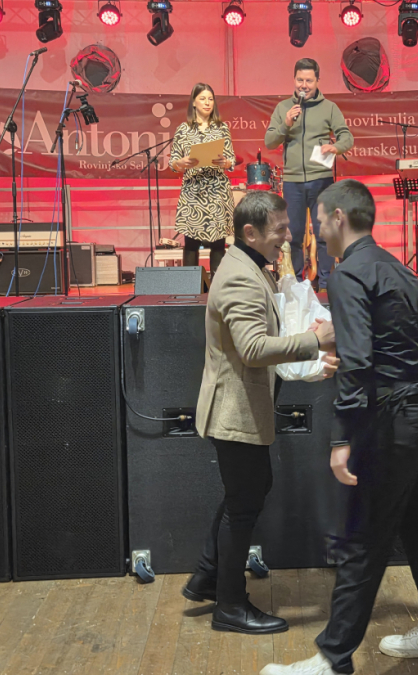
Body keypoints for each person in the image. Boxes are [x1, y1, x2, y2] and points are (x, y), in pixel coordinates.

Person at [261, 179, 418, 675]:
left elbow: (357, 360)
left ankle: (332, 659)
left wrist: (341, 437)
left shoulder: (348, 273)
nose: (313, 231)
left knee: (362, 536)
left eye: (318, 221)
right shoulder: (394, 266)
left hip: (398, 417)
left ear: (338, 218)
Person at [184, 190, 337, 635]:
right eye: (281, 229)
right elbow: (252, 349)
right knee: (244, 502)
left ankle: (209, 575)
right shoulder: (240, 277)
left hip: (243, 406)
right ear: (250, 232)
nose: (288, 237)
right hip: (234, 411)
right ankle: (230, 606)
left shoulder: (250, 265)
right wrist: (316, 341)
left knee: (247, 493)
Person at [264, 58, 354, 290]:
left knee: (324, 234)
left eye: (309, 81)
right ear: (294, 79)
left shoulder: (329, 107)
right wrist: (286, 124)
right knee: (293, 235)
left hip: (321, 179)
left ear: (317, 81)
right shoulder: (283, 108)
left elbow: (347, 136)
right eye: (300, 80)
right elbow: (269, 141)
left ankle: (325, 284)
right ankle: (296, 284)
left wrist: (336, 147)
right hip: (293, 181)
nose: (304, 85)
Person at [169, 82, 236, 277]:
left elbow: (231, 160)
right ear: (194, 102)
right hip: (193, 190)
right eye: (203, 99)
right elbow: (173, 163)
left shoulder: (222, 128)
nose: (207, 103)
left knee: (218, 243)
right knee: (191, 242)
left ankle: (217, 286)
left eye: (210, 99)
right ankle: (190, 287)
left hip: (216, 189)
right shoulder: (183, 129)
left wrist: (225, 162)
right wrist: (181, 163)